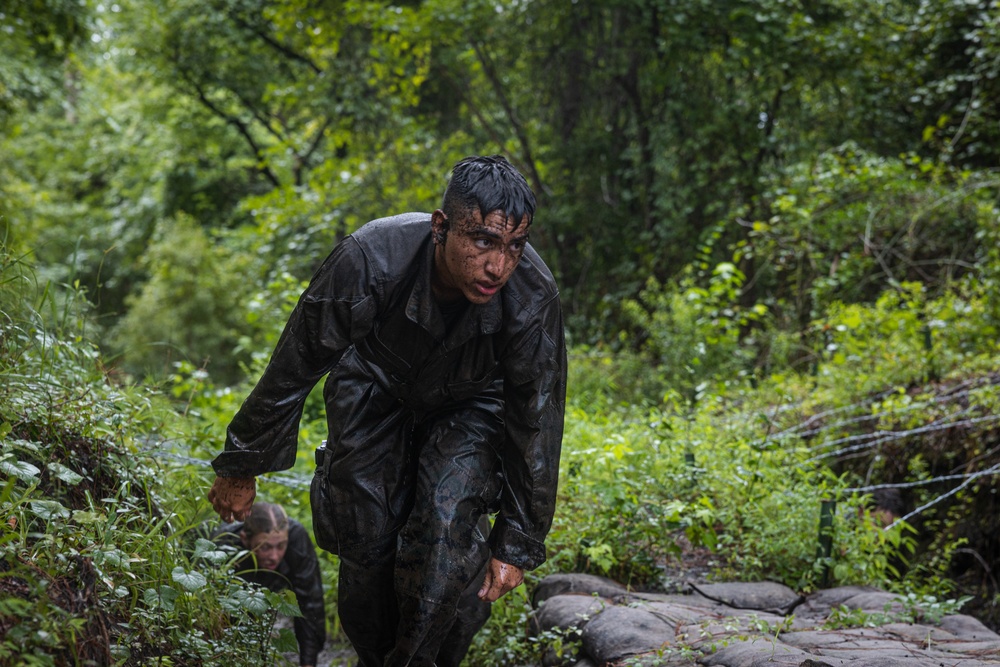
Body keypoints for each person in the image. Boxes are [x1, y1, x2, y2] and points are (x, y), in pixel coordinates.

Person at [207, 154, 567, 667]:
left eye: (514, 246)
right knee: (366, 535)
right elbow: (296, 362)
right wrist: (242, 463)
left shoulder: (533, 296)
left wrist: (519, 539)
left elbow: (539, 417)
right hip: (374, 381)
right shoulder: (369, 258)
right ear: (441, 227)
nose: (499, 266)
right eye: (483, 240)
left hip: (473, 401)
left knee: (447, 527)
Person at [208, 502, 326, 667]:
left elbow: (311, 604)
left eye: (281, 546)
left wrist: (308, 662)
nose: (274, 556)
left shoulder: (296, 538)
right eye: (265, 547)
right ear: (245, 539)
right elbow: (213, 611)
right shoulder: (225, 544)